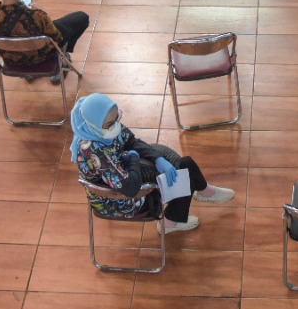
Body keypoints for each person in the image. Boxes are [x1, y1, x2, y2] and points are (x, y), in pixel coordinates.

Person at [71, 92, 234, 234]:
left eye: (117, 119)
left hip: (120, 174)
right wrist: (133, 158)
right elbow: (130, 188)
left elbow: (131, 140)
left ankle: (202, 189)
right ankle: (171, 221)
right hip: (119, 200)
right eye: (110, 124)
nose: (116, 126)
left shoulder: (98, 130)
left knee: (173, 161)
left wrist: (158, 159)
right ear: (93, 124)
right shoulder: (95, 153)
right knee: (184, 172)